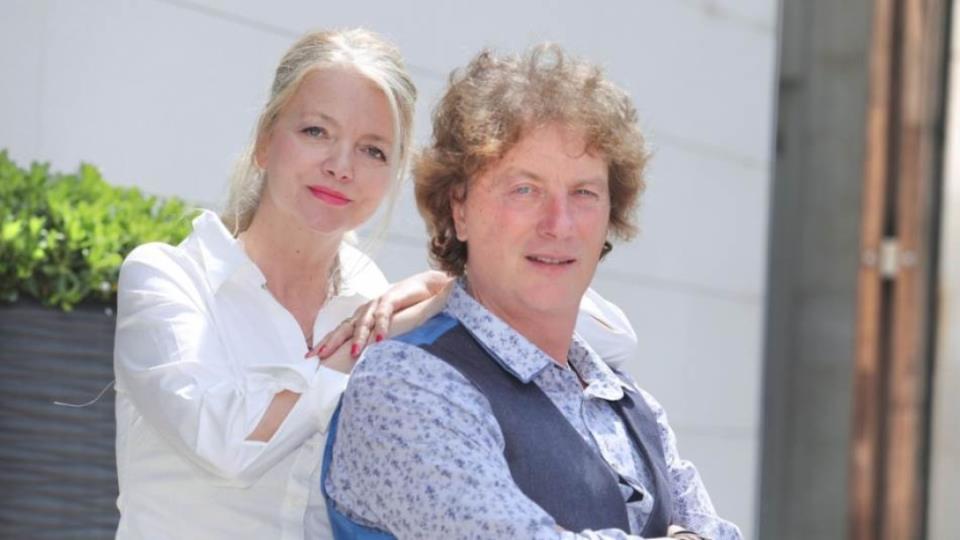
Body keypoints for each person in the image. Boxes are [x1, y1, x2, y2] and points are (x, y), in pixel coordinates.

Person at [112, 28, 640, 540]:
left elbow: (612, 339)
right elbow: (226, 445)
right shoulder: (168, 278)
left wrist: (455, 288)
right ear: (265, 142)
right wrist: (364, 347)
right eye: (316, 132)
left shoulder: (373, 293)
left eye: (373, 150)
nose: (342, 166)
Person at [323, 45, 743, 539]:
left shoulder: (628, 402)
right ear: (459, 209)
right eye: (525, 189)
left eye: (584, 193)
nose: (559, 224)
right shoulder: (405, 384)